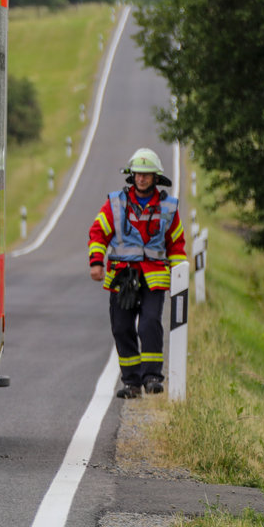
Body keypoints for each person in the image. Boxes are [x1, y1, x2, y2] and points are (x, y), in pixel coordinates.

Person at [88, 147, 187, 399]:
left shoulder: (168, 207)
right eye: (138, 174)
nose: (141, 178)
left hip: (153, 278)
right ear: (132, 176)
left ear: (155, 177)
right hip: (123, 276)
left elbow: (176, 244)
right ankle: (131, 383)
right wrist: (96, 262)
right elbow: (99, 232)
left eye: (147, 174)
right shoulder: (116, 203)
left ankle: (153, 377)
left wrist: (180, 278)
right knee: (121, 327)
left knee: (149, 324)